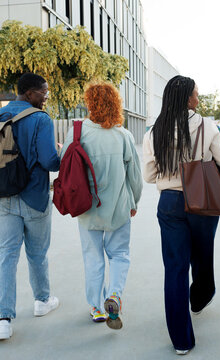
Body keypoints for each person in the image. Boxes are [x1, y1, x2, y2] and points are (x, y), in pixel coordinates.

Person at [142, 75, 220, 355]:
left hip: (169, 202)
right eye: (195, 94)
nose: (198, 99)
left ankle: (181, 341)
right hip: (202, 201)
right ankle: (200, 298)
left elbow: (149, 175)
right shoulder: (206, 125)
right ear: (187, 98)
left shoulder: (154, 131)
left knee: (175, 268)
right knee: (203, 256)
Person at [60, 82, 142, 330]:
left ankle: (96, 308)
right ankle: (114, 295)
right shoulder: (123, 136)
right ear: (116, 104)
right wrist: (134, 202)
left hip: (87, 208)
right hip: (118, 208)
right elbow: (135, 177)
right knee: (119, 255)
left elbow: (64, 165)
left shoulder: (77, 132)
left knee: (92, 258)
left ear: (89, 103)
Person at [0, 73, 61, 340]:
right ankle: (42, 301)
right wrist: (61, 152)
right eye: (44, 91)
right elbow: (49, 162)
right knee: (37, 253)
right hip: (34, 197)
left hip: (3, 197)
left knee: (6, 255)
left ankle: (3, 320)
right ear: (29, 93)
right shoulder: (41, 119)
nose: (46, 96)